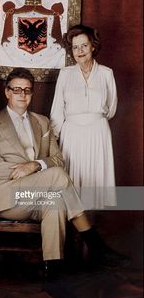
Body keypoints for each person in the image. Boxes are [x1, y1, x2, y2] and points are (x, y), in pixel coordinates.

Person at [0, 67, 128, 286]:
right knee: (57, 177)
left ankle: (54, 277)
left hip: (37, 194)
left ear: (32, 94)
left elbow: (58, 159)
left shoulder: (43, 122)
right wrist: (25, 170)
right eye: (17, 89)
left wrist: (35, 165)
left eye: (27, 90)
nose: (22, 95)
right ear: (7, 92)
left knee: (56, 201)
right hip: (6, 197)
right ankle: (95, 243)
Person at [50, 24, 117, 210]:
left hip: (98, 133)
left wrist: (94, 121)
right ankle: (74, 233)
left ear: (93, 46)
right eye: (75, 47)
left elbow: (111, 108)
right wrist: (54, 139)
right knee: (71, 186)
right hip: (71, 134)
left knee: (94, 187)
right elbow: (57, 110)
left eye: (84, 46)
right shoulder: (65, 74)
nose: (80, 51)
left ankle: (88, 232)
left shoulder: (106, 73)